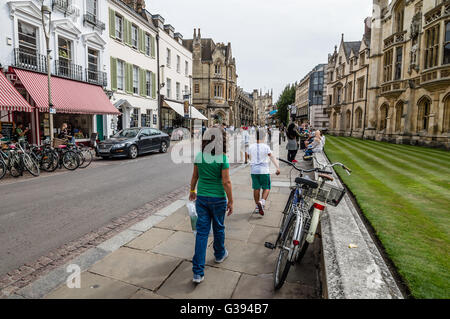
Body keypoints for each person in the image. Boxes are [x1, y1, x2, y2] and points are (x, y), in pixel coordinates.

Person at [189, 127, 233, 284]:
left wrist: (192, 190)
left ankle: (197, 273)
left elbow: (195, 176)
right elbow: (226, 182)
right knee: (219, 227)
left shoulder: (200, 156)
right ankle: (220, 254)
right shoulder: (222, 158)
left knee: (202, 233)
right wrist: (231, 201)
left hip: (202, 198)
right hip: (218, 199)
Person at [247, 128, 280, 216]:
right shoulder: (266, 147)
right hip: (264, 170)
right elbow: (272, 157)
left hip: (254, 170)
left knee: (256, 188)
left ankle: (257, 207)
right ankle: (262, 202)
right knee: (266, 187)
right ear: (264, 136)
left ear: (255, 136)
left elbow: (248, 157)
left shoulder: (251, 146)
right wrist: (277, 167)